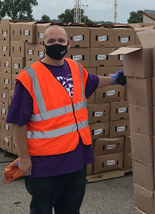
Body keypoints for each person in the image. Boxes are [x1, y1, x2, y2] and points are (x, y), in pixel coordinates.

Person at [5, 25, 126, 214]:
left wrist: (114, 79)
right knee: (41, 209)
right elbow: (18, 123)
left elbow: (91, 81)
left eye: (61, 41)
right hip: (45, 164)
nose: (56, 45)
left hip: (75, 159)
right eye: (51, 41)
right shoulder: (30, 77)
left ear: (68, 44)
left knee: (70, 209)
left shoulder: (74, 68)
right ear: (43, 45)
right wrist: (24, 158)